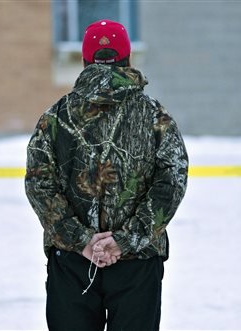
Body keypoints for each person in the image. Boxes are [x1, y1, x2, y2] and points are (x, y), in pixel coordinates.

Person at [25, 19, 188, 330]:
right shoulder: (156, 117)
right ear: (127, 58)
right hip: (138, 262)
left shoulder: (55, 118)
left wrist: (82, 241)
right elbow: (172, 181)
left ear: (85, 60)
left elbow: (38, 185)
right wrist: (126, 240)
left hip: (72, 261)